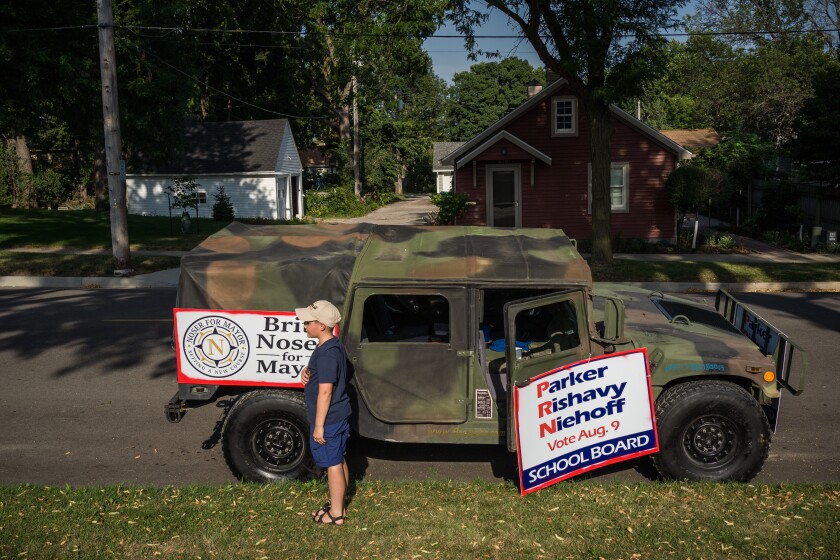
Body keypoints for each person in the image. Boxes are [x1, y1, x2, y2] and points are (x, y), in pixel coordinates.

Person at [296, 300, 351, 526]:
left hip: (329, 419)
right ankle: (341, 503)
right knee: (338, 457)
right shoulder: (329, 346)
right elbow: (325, 374)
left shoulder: (327, 353)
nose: (304, 325)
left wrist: (319, 425)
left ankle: (336, 513)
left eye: (308, 322)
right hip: (337, 415)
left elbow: (326, 392)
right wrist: (308, 370)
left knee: (333, 463)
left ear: (321, 326)